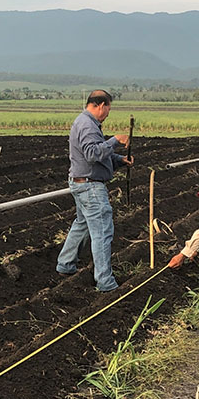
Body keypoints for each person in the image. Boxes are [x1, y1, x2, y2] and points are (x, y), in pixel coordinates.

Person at [56, 89, 132, 292]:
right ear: (101, 105)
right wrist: (115, 140)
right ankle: (105, 282)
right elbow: (92, 154)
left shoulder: (85, 122)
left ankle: (65, 264)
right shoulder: (87, 125)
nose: (108, 114)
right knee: (102, 231)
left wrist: (120, 160)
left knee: (82, 225)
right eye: (108, 109)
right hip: (90, 186)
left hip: (81, 183)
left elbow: (96, 153)